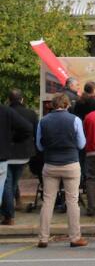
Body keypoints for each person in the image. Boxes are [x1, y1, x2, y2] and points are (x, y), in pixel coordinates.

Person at [36, 93, 87, 248]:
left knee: (48, 201)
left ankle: (43, 238)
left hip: (50, 164)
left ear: (52, 105)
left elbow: (39, 145)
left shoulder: (43, 121)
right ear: (67, 104)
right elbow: (81, 144)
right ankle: (74, 237)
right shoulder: (75, 120)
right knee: (72, 201)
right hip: (71, 163)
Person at [1, 90, 37, 225]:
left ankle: (9, 214)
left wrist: (10, 139)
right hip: (23, 154)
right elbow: (31, 130)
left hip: (6, 154)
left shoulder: (6, 111)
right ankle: (9, 211)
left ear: (9, 100)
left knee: (7, 185)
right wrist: (18, 139)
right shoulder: (30, 113)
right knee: (12, 183)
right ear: (22, 99)